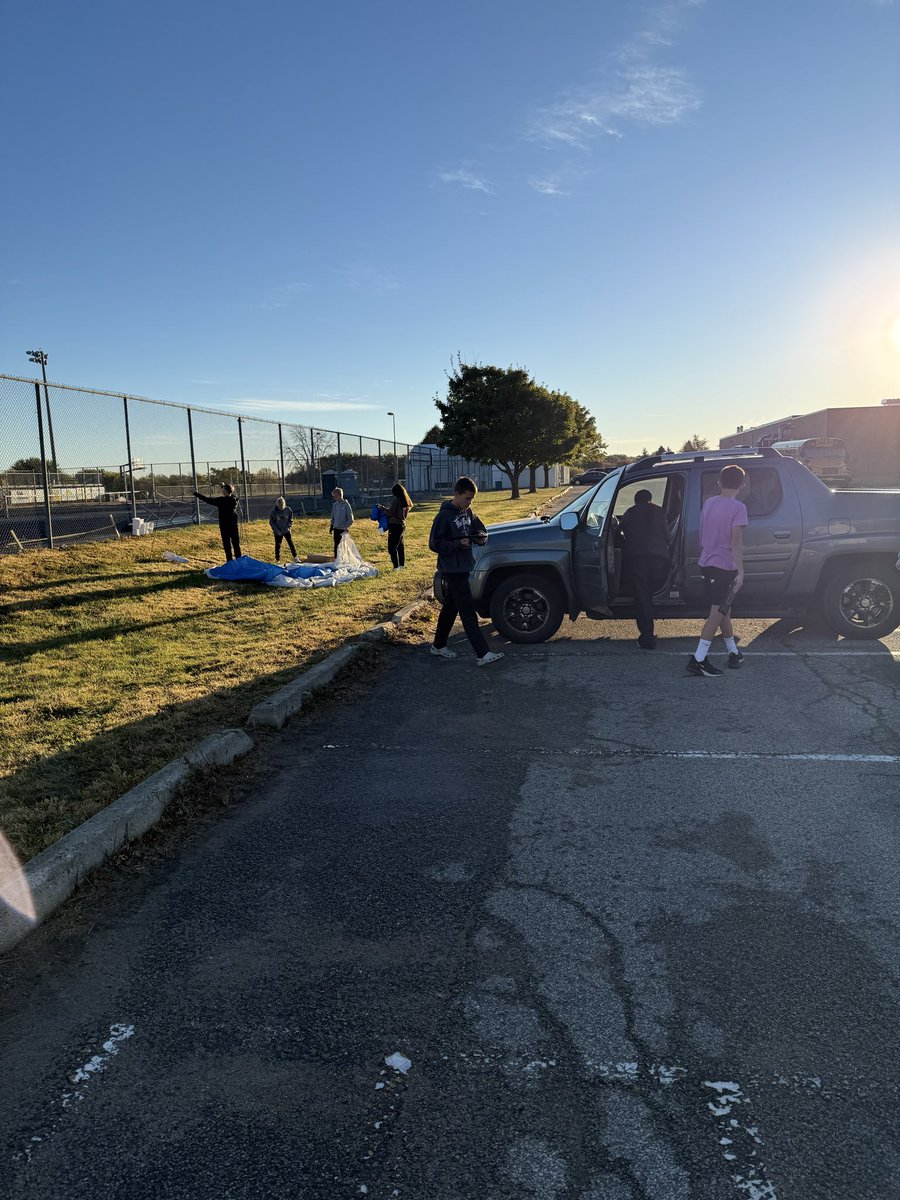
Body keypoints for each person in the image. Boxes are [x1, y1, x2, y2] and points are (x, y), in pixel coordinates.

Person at [429, 476, 504, 667]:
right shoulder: (443, 516)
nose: (469, 502)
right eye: (467, 498)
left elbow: (481, 530)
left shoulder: (468, 512)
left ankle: (438, 646)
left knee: (451, 607)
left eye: (471, 499)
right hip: (451, 569)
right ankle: (483, 653)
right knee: (468, 612)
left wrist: (480, 537)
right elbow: (434, 544)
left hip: (464, 566)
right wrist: (456, 544)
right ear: (456, 494)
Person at [687, 464, 748, 677]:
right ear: (741, 484)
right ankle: (698, 659)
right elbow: (736, 541)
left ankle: (733, 652)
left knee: (724, 612)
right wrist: (740, 571)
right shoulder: (738, 508)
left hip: (707, 564)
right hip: (724, 568)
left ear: (720, 482)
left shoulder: (709, 503)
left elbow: (703, 534)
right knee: (717, 614)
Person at [619, 488, 670, 649]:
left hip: (637, 559)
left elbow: (619, 531)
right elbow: (668, 536)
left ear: (636, 500)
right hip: (659, 561)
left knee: (643, 598)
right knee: (649, 593)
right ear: (650, 499)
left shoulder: (631, 512)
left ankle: (647, 637)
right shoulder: (660, 511)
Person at [193, 482, 241, 561]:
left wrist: (195, 493)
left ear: (225, 491)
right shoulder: (235, 499)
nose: (222, 491)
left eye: (223, 489)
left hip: (224, 525)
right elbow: (231, 494)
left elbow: (207, 500)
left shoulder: (221, 500)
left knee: (227, 545)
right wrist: (223, 486)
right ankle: (239, 560)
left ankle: (229, 562)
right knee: (236, 543)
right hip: (233, 525)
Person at [379, 482, 412, 569]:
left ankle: (396, 566)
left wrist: (382, 508)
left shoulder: (396, 500)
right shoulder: (405, 500)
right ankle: (401, 565)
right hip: (402, 525)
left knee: (391, 548)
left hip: (395, 526)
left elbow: (390, 513)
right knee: (400, 546)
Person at [269, 496, 299, 563]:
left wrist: (288, 527)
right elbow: (271, 523)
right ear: (277, 505)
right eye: (280, 507)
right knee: (278, 545)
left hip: (286, 530)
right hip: (278, 531)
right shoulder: (274, 512)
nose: (281, 508)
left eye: (282, 507)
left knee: (291, 543)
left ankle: (295, 557)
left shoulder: (288, 510)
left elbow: (290, 520)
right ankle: (277, 559)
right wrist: (277, 531)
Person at [329, 487, 354, 558]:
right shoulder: (335, 505)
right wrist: (331, 526)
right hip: (336, 528)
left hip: (343, 529)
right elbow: (333, 516)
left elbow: (350, 518)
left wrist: (346, 526)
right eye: (334, 497)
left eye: (336, 496)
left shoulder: (346, 505)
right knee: (336, 545)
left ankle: (344, 559)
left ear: (340, 495)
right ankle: (337, 559)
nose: (335, 498)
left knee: (343, 546)